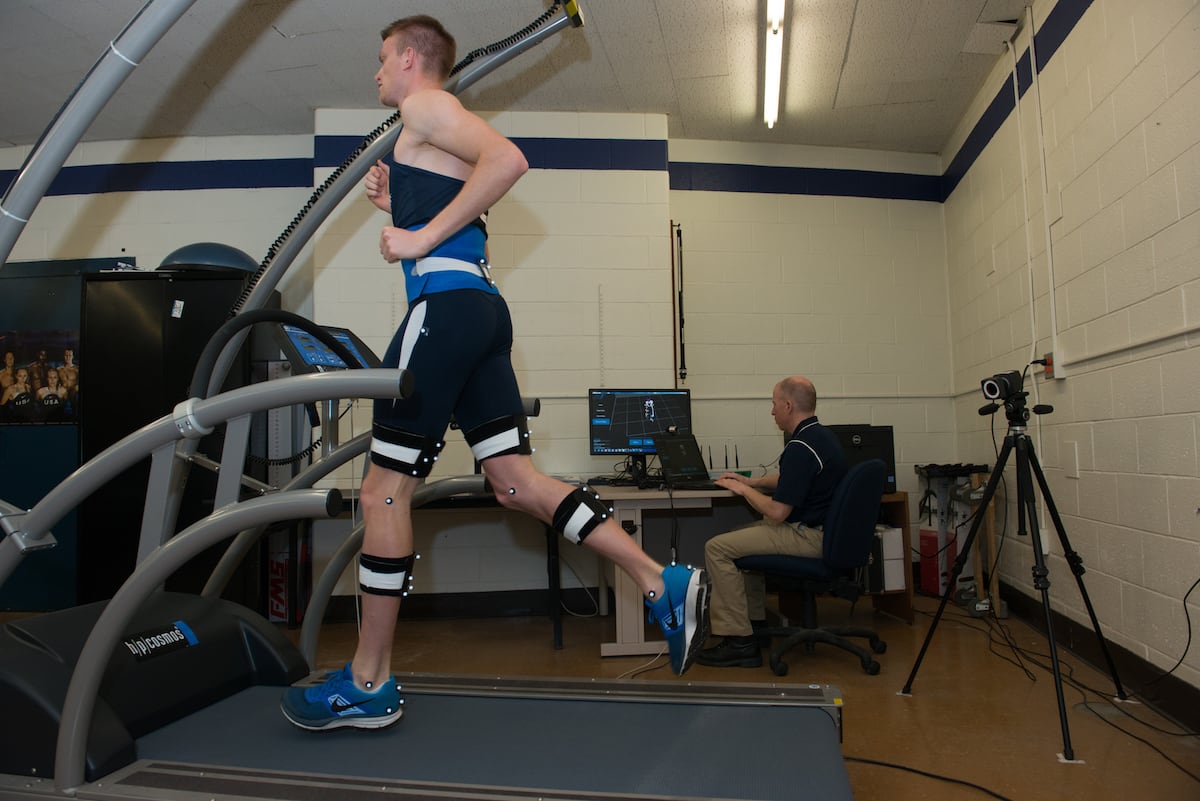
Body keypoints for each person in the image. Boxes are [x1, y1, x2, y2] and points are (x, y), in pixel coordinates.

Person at [281, 14, 709, 732]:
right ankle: (657, 578)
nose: (377, 74)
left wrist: (414, 234)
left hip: (444, 311)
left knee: (383, 492)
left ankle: (368, 680)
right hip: (481, 310)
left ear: (413, 58)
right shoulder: (428, 131)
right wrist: (404, 202)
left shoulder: (422, 104)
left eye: (383, 59)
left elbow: (507, 161)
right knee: (514, 483)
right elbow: (469, 199)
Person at [697, 376, 847, 668]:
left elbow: (778, 513)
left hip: (807, 536)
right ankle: (755, 627)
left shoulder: (800, 446)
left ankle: (739, 642)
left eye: (774, 403)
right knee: (738, 538)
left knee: (717, 548)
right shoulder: (820, 437)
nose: (772, 411)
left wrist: (744, 490)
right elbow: (791, 479)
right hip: (823, 532)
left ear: (788, 405)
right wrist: (752, 481)